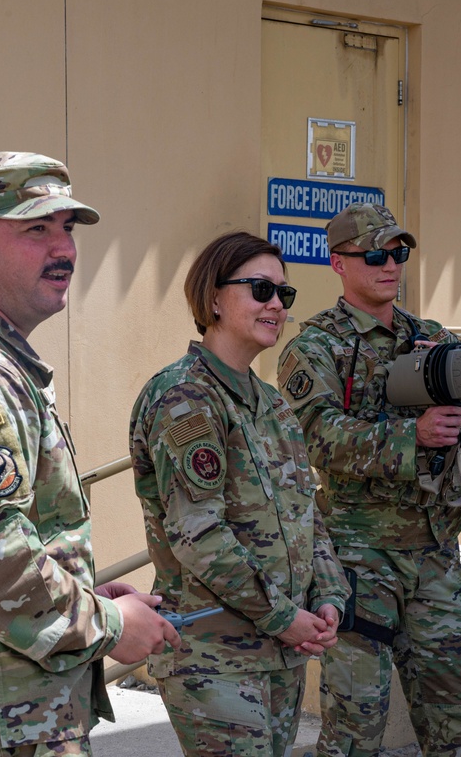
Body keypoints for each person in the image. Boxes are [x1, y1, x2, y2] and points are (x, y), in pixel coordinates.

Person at [0, 151, 180, 757]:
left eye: (68, 228)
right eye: (36, 229)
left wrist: (85, 597)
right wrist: (110, 630)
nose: (64, 249)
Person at [277, 203, 461, 757]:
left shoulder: (432, 336)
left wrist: (458, 378)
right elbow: (318, 438)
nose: (390, 266)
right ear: (338, 263)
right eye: (375, 254)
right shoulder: (313, 349)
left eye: (398, 253)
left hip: (435, 554)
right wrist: (414, 435)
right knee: (355, 733)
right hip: (358, 561)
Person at [129, 231, 350, 756]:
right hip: (213, 658)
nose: (276, 304)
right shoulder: (185, 397)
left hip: (280, 653)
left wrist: (329, 597)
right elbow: (198, 534)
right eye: (259, 289)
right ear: (212, 299)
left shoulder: (270, 404)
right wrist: (285, 618)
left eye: (284, 294)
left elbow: (306, 515)